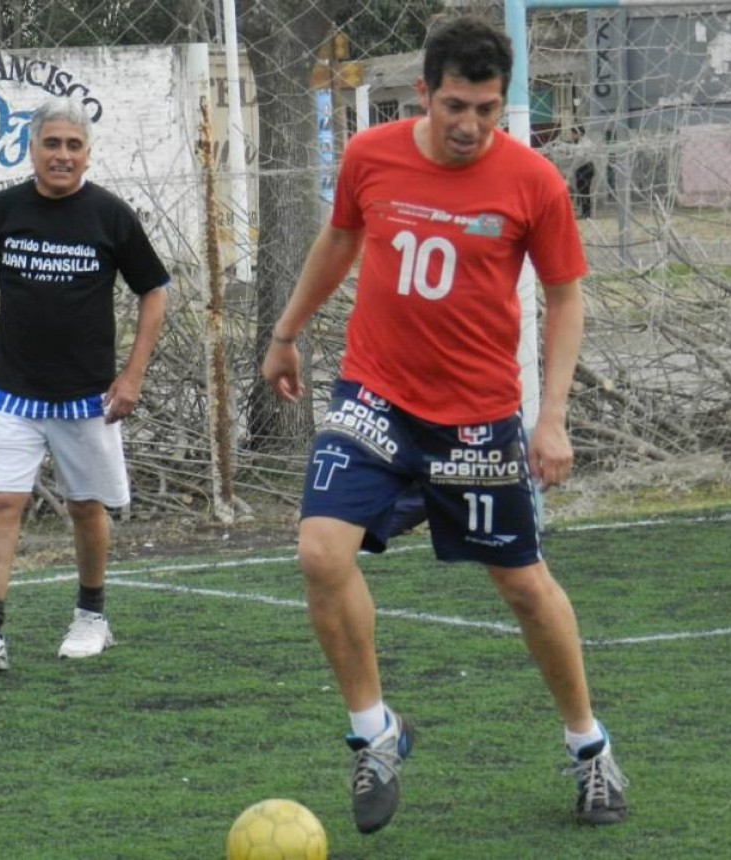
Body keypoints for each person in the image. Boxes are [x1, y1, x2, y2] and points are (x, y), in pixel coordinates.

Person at [261, 15, 627, 835]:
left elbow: (565, 298)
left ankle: (590, 748)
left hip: (477, 418)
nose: (469, 125)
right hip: (376, 396)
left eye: (486, 109)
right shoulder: (371, 155)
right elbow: (340, 239)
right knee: (320, 552)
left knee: (524, 588)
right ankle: (374, 734)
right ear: (424, 93)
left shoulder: (532, 182)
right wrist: (286, 334)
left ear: (503, 102)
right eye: (455, 105)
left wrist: (551, 418)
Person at [0, 98, 169, 672]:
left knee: (85, 507)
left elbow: (154, 292)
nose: (62, 155)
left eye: (73, 145)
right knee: (2, 501)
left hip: (87, 397)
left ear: (88, 153)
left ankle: (91, 616)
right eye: (51, 144)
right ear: (31, 149)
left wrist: (132, 375)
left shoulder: (111, 215)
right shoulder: (3, 210)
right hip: (13, 392)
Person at [570, 126, 596, 219]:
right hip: (585, 168)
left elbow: (579, 158)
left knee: (584, 191)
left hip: (585, 169)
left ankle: (586, 213)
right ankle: (585, 212)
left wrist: (572, 169)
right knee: (583, 191)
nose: (572, 136)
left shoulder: (584, 143)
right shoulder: (583, 142)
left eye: (573, 134)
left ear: (579, 133)